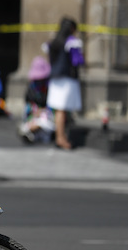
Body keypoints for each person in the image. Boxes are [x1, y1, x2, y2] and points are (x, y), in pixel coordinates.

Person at [44, 16, 84, 150]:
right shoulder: (71, 42)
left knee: (59, 110)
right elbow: (77, 61)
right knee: (62, 110)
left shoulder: (54, 42)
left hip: (55, 79)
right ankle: (61, 138)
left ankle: (59, 136)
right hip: (67, 79)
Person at [18, 56, 54, 143]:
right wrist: (33, 114)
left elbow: (54, 108)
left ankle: (32, 131)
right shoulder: (31, 88)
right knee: (26, 126)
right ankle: (31, 133)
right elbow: (28, 107)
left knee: (44, 123)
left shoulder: (50, 87)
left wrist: (42, 111)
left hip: (48, 117)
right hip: (33, 117)